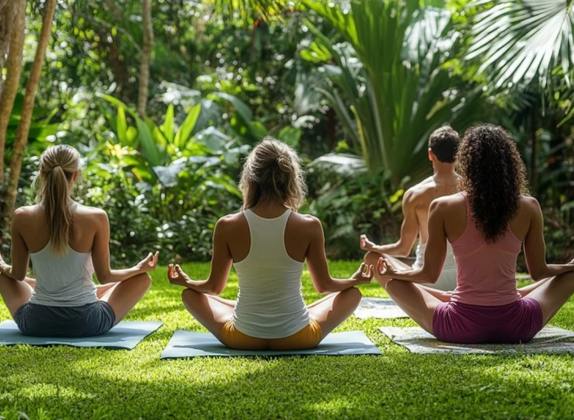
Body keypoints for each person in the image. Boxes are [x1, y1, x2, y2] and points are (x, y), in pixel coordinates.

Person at [371, 124, 574, 344]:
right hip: (517, 325)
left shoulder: (442, 207)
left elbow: (428, 275)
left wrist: (395, 273)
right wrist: (569, 267)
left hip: (458, 326)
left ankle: (452, 297)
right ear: (510, 164)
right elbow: (539, 271)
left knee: (379, 266)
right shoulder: (529, 206)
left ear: (466, 162)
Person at [167, 138, 373, 350]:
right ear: (291, 179)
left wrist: (187, 282)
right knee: (353, 294)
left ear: (250, 179)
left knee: (190, 295)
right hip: (298, 337)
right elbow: (324, 286)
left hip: (242, 337)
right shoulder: (309, 225)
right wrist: (353, 280)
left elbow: (213, 288)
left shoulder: (227, 225)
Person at [0, 145, 157, 338]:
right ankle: (93, 292)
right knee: (141, 279)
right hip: (87, 322)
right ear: (76, 175)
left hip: (36, 322)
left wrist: (2, 266)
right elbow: (105, 276)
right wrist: (138, 269)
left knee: (3, 276)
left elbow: (17, 274)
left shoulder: (22, 216)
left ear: (41, 173)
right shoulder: (96, 217)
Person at [361, 126, 460, 291]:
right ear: (458, 155)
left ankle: (420, 302)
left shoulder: (415, 194)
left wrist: (374, 248)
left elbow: (403, 249)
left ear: (430, 154)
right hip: (465, 281)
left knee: (372, 258)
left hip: (426, 283)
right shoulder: (471, 190)